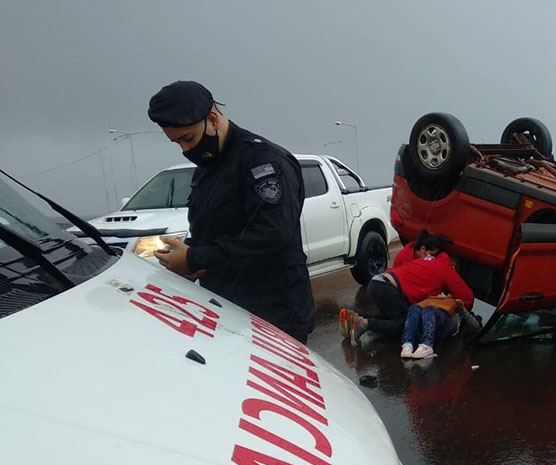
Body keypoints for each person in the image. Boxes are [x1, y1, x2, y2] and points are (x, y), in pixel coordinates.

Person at [147, 80, 315, 344]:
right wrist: (187, 256)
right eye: (177, 142)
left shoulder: (263, 162)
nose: (186, 149)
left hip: (275, 315)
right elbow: (216, 229)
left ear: (213, 119)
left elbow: (271, 236)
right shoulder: (208, 166)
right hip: (229, 310)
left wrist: (195, 257)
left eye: (188, 138)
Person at [342, 230, 473, 345]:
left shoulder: (423, 261)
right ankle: (364, 324)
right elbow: (467, 297)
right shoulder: (446, 268)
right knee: (407, 324)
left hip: (378, 282)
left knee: (394, 314)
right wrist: (460, 309)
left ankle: (354, 318)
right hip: (387, 286)